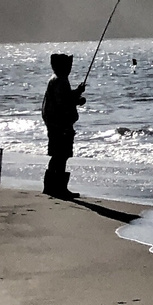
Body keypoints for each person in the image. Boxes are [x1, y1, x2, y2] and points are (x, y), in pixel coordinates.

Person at [40, 53, 86, 198]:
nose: (70, 68)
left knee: (58, 155)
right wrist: (77, 95)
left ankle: (51, 187)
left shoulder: (56, 80)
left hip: (55, 124)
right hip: (60, 125)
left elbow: (63, 99)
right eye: (68, 65)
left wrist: (77, 96)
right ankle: (58, 188)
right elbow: (63, 103)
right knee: (61, 155)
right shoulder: (61, 81)